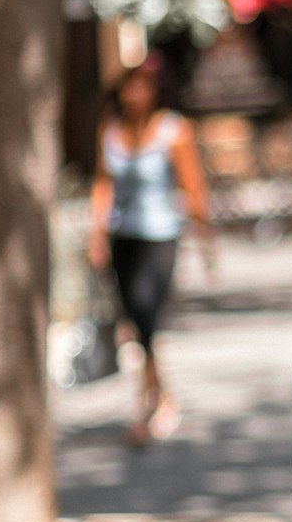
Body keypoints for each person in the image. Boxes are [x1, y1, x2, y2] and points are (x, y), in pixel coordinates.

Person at [89, 53, 214, 444]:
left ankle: (150, 399)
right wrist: (96, 233)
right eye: (129, 86)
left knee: (146, 313)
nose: (134, 94)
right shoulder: (111, 130)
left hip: (160, 235)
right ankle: (156, 392)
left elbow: (193, 185)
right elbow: (103, 182)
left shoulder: (172, 131)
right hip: (122, 235)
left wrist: (204, 235)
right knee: (133, 318)